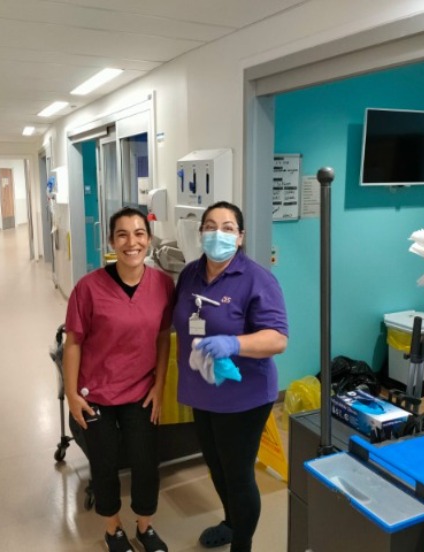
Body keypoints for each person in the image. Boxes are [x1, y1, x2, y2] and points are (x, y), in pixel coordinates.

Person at [173, 201, 288, 552]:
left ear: (240, 237)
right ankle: (231, 521)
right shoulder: (190, 274)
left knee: (237, 476)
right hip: (201, 391)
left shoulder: (257, 278)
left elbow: (278, 339)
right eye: (210, 226)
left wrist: (233, 342)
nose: (217, 233)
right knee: (217, 468)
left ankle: (243, 544)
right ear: (200, 233)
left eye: (226, 227)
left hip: (244, 397)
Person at [63, 207, 174, 552]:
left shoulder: (162, 285)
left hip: (141, 391)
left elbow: (162, 336)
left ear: (149, 240)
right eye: (122, 234)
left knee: (145, 462)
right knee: (105, 464)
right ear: (111, 241)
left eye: (139, 233)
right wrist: (71, 394)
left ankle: (145, 527)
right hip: (96, 393)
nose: (132, 242)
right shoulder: (88, 288)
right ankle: (113, 530)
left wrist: (159, 385)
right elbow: (74, 342)